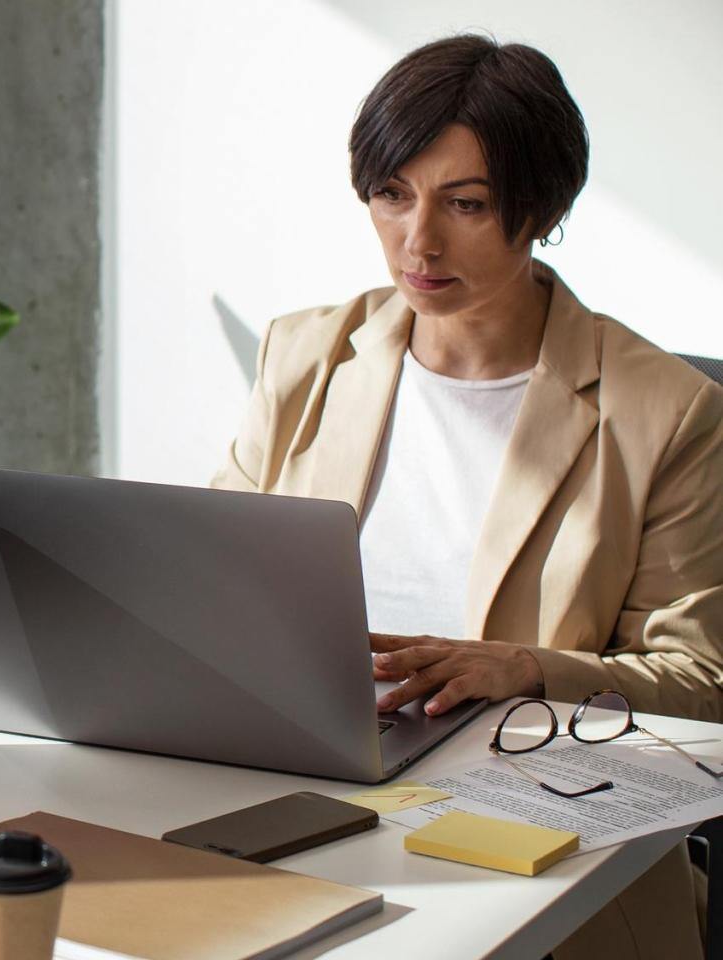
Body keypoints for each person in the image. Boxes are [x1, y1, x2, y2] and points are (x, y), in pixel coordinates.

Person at [215, 34, 722, 959]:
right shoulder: (305, 355)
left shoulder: (669, 412)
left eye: (467, 204)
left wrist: (525, 669)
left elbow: (703, 685)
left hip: (546, 845)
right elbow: (206, 576)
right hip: (309, 802)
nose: (420, 241)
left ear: (543, 207)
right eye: (392, 195)